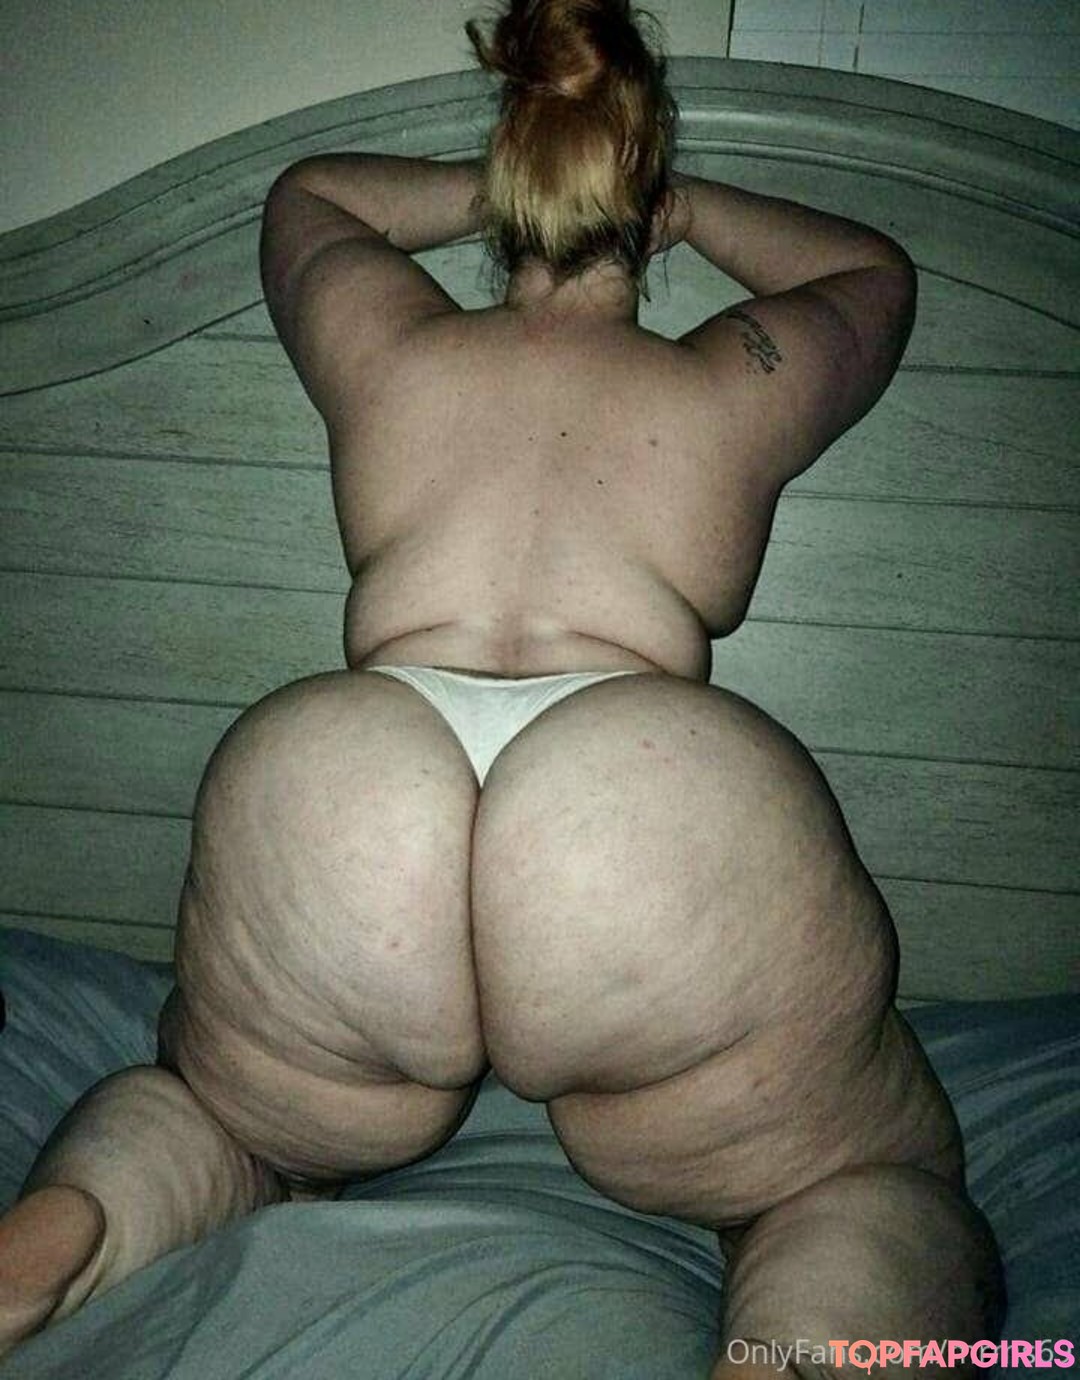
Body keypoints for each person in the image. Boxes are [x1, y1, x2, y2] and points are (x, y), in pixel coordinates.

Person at [0, 1, 1002, 1374]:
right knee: (861, 1178)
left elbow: (310, 199)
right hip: (630, 804)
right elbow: (871, 272)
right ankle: (811, 1344)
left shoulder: (392, 347)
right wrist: (673, 206)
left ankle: (89, 1217)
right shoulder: (727, 385)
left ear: (516, 171)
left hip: (351, 783)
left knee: (216, 1112)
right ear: (637, 190)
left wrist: (507, 190)